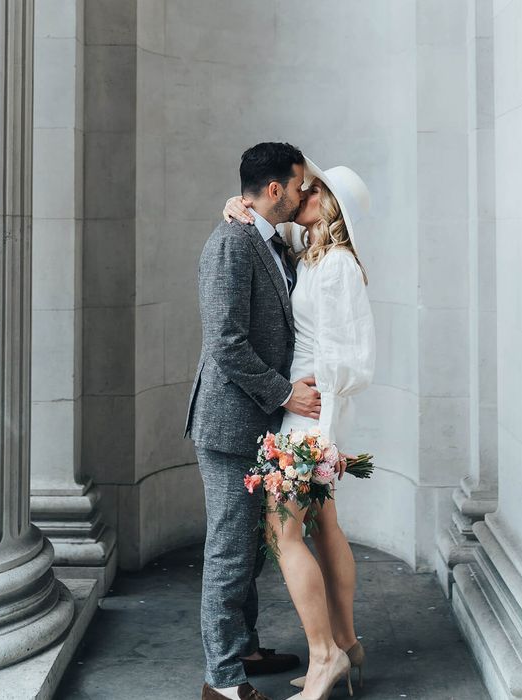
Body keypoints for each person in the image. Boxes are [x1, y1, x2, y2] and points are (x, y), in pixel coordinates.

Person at [223, 157, 375, 700]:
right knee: (322, 526)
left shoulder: (335, 265)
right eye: (303, 184)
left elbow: (358, 356)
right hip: (303, 407)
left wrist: (320, 391)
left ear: (330, 205)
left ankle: (325, 656)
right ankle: (347, 643)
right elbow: (269, 208)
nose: (303, 191)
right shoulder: (309, 254)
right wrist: (237, 203)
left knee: (283, 533)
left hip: (312, 412)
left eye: (315, 189)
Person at [185, 142, 324, 700]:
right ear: (274, 190)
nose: (303, 194)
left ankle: (244, 645)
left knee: (250, 543)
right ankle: (221, 679)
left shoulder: (268, 238)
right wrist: (285, 394)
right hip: (228, 422)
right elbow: (225, 341)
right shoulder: (231, 243)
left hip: (256, 420)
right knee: (230, 550)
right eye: (298, 186)